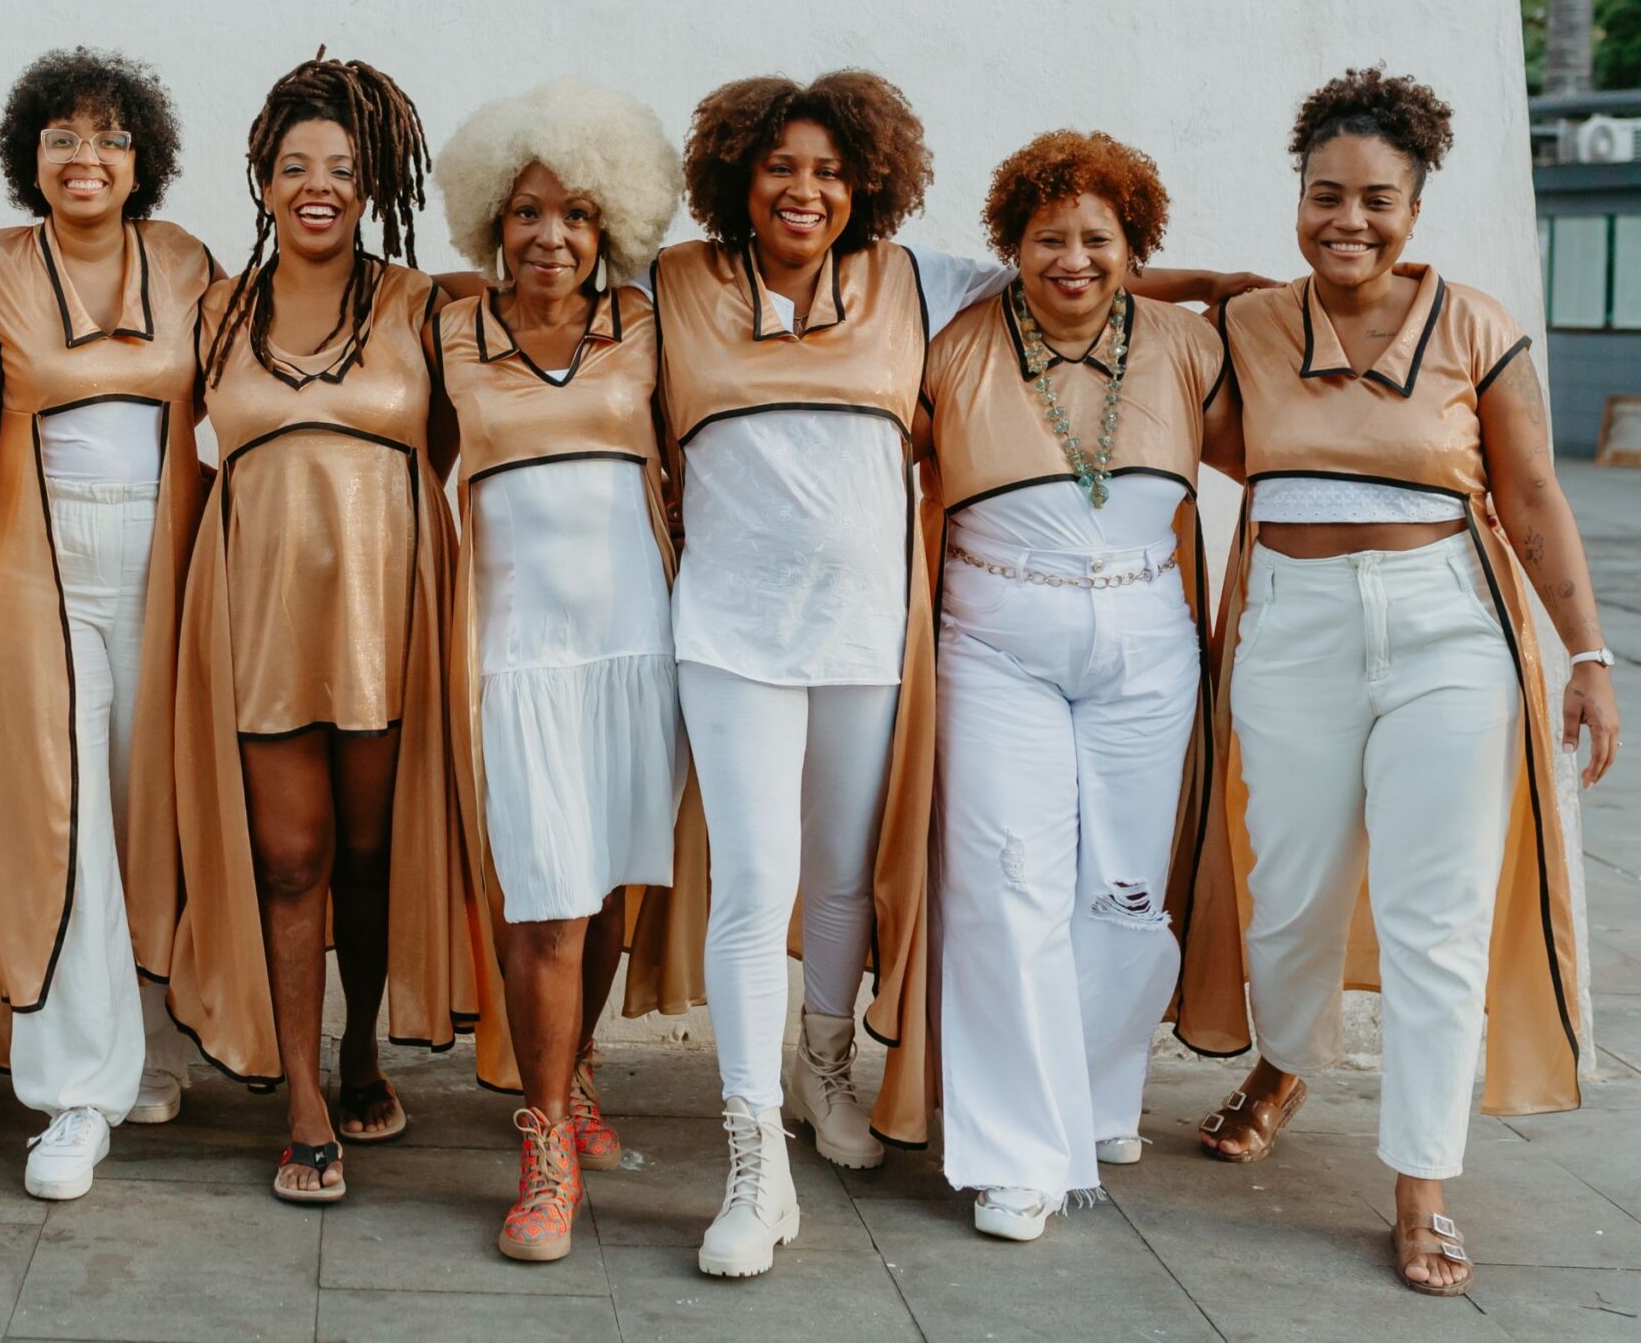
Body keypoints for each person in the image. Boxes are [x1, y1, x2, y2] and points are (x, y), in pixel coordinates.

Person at [657, 70, 1260, 1278]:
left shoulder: (914, 280)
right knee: (756, 884)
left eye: (831, 171)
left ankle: (823, 1069)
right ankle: (753, 1167)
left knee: (841, 881)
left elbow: (1074, 274)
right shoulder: (673, 282)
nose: (805, 190)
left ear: (867, 183)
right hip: (726, 631)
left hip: (867, 635)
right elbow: (547, 282)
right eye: (780, 167)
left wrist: (1235, 290)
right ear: (735, 175)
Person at [1179, 68, 1619, 1296]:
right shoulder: (1251, 323)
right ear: (1297, 198)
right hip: (1292, 626)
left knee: (1438, 913)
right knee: (1288, 896)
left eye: (1377, 200)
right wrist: (1214, 280)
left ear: (1415, 209)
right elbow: (1114, 288)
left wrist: (1587, 657)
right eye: (1324, 196)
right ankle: (1286, 1059)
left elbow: (1531, 496)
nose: (1348, 221)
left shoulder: (1473, 326)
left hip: (1446, 631)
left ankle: (1422, 1180)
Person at [165, 53, 481, 1206]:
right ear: (261, 181)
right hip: (256, 604)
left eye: (342, 168)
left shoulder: (422, 306)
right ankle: (304, 1101)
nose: (317, 186)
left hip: (383, 600)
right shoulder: (215, 312)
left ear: (372, 183)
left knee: (368, 852)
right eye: (294, 165)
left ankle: (359, 1049)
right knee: (289, 857)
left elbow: (447, 442)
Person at [916, 130, 1235, 1241]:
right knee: (1007, 886)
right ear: (1011, 244)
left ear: (1134, 245)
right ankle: (1015, 1153)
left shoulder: (1186, 344)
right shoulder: (955, 344)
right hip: (996, 638)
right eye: (1047, 236)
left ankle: (1094, 1096)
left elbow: (1279, 451)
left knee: (1124, 895)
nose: (1073, 258)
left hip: (1147, 639)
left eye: (1097, 237)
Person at [430, 79, 701, 1262]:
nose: (553, 236)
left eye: (580, 214)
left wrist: (1201, 285)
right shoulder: (444, 327)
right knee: (543, 903)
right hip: (515, 657)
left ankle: (576, 1067)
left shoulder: (647, 322)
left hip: (637, 647)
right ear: (493, 217)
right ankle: (543, 1145)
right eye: (529, 211)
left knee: (603, 893)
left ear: (611, 226)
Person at [0, 49, 216, 1202]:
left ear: (140, 157)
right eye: (62, 136)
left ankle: (154, 1036)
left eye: (109, 137)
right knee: (58, 815)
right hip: (41, 560)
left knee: (148, 806)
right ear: (31, 155)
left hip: (162, 558)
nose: (86, 157)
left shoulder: (187, 261)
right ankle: (72, 1091)